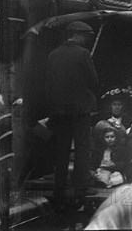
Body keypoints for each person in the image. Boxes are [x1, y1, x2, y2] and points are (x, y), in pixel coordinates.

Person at [45, 21, 99, 203]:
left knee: (62, 148)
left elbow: (49, 83)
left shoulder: (53, 55)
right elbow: (93, 81)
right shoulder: (83, 54)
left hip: (60, 110)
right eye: (85, 36)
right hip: (80, 109)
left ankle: (59, 186)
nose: (86, 40)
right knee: (82, 147)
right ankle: (81, 186)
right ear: (77, 35)